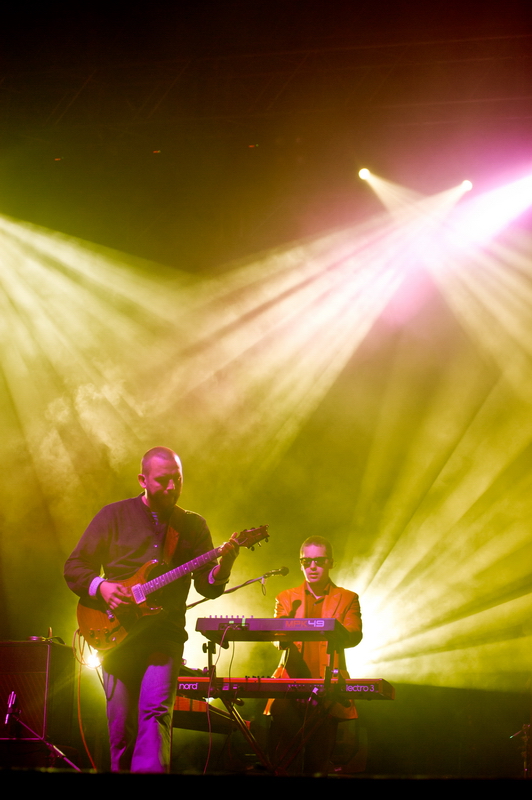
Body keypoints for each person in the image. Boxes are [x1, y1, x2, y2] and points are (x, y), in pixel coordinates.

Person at [64, 446, 239, 773]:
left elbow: (207, 585)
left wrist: (224, 566)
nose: (172, 487)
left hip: (165, 635)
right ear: (143, 479)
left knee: (156, 715)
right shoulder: (112, 515)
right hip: (117, 633)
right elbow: (75, 567)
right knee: (120, 727)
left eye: (178, 479)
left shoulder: (192, 526)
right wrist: (101, 588)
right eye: (163, 480)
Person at [267, 535, 362, 775]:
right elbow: (276, 638)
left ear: (331, 563)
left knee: (318, 763)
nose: (312, 567)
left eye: (318, 561)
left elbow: (354, 635)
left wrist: (333, 630)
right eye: (306, 561)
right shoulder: (286, 598)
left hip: (328, 690)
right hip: (289, 689)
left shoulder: (348, 598)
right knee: (284, 761)